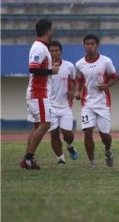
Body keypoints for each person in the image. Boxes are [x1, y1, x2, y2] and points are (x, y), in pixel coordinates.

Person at [20, 18, 60, 170]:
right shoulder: (40, 48)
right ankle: (29, 157)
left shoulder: (41, 47)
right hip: (39, 92)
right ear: (48, 31)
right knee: (46, 123)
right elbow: (33, 68)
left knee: (37, 125)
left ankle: (26, 159)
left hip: (37, 92)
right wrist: (51, 71)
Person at [74, 34, 118, 168]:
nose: (90, 46)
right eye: (87, 44)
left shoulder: (105, 61)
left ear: (97, 45)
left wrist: (105, 86)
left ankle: (108, 151)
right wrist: (77, 91)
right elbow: (79, 80)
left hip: (103, 103)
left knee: (104, 135)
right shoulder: (79, 64)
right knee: (87, 131)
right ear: (84, 46)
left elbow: (113, 77)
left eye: (92, 43)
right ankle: (92, 162)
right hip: (87, 104)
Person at [48, 40, 78, 165]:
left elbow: (74, 81)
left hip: (65, 105)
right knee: (54, 133)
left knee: (67, 133)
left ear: (61, 52)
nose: (54, 53)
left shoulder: (69, 66)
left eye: (56, 50)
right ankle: (60, 158)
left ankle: (70, 146)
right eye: (51, 51)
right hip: (49, 105)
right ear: (48, 52)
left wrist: (72, 91)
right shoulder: (44, 68)